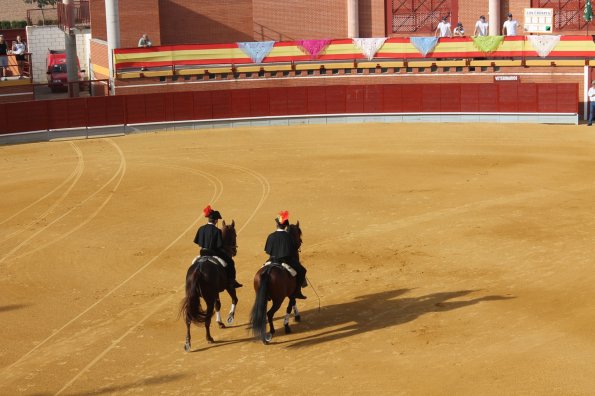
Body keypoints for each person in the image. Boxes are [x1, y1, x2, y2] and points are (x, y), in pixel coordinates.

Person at [193, 205, 242, 288]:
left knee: (193, 264)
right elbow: (219, 246)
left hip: (202, 253)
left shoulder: (201, 228)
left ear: (208, 219)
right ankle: (231, 282)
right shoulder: (217, 231)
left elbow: (198, 242)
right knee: (230, 262)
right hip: (214, 253)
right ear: (215, 221)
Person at [264, 211, 307, 299]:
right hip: (285, 261)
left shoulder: (271, 236)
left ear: (277, 224)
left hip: (271, 260)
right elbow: (291, 250)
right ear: (285, 226)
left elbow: (268, 251)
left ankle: (266, 293)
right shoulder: (288, 236)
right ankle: (297, 291)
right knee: (302, 271)